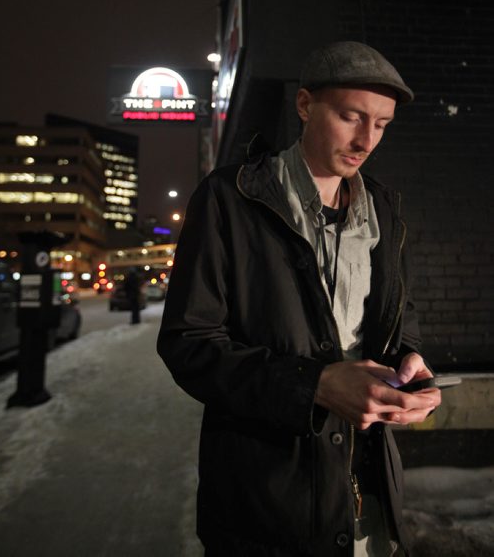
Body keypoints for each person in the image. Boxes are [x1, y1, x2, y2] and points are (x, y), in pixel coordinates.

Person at [157, 41, 441, 557]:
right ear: (305, 106)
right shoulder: (230, 198)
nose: (366, 140)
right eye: (351, 116)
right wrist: (315, 386)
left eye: (381, 124)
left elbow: (403, 317)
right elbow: (188, 344)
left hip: (370, 493)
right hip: (267, 502)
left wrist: (408, 363)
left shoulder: (384, 208)